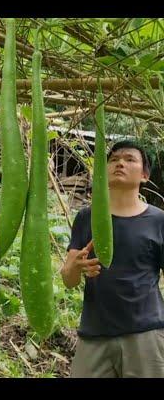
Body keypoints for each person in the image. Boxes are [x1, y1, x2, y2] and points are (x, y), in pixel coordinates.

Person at [61, 141, 164, 378]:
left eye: (130, 159)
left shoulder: (158, 221)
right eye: (114, 159)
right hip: (94, 335)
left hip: (146, 335)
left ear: (145, 175)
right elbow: (68, 279)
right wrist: (75, 267)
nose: (120, 163)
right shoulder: (86, 217)